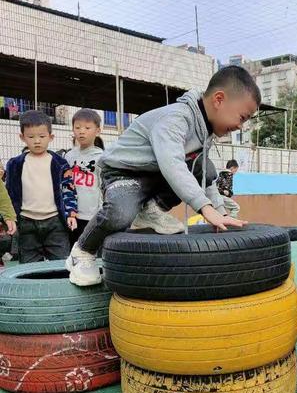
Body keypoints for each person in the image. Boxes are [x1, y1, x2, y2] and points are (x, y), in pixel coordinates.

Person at [66, 65, 260, 286]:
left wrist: (221, 212)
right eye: (242, 117)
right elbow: (173, 166)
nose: (240, 126)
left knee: (205, 167)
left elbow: (202, 173)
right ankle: (81, 252)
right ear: (219, 100)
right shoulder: (176, 119)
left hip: (153, 173)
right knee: (121, 214)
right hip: (122, 172)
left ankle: (152, 209)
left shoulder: (204, 127)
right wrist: (206, 209)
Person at [5, 110, 77, 263]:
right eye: (31, 137)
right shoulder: (14, 164)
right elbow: (9, 194)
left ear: (51, 137)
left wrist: (71, 213)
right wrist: (9, 218)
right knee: (29, 268)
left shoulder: (60, 163)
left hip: (55, 222)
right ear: (22, 137)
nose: (37, 141)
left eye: (42, 136)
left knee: (61, 264)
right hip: (26, 223)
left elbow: (68, 188)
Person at [64, 109, 104, 247]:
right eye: (77, 127)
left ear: (97, 131)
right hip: (72, 215)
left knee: (90, 252)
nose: (82, 131)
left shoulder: (102, 157)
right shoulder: (69, 156)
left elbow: (103, 187)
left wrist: (101, 213)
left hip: (92, 215)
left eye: (87, 128)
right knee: (72, 252)